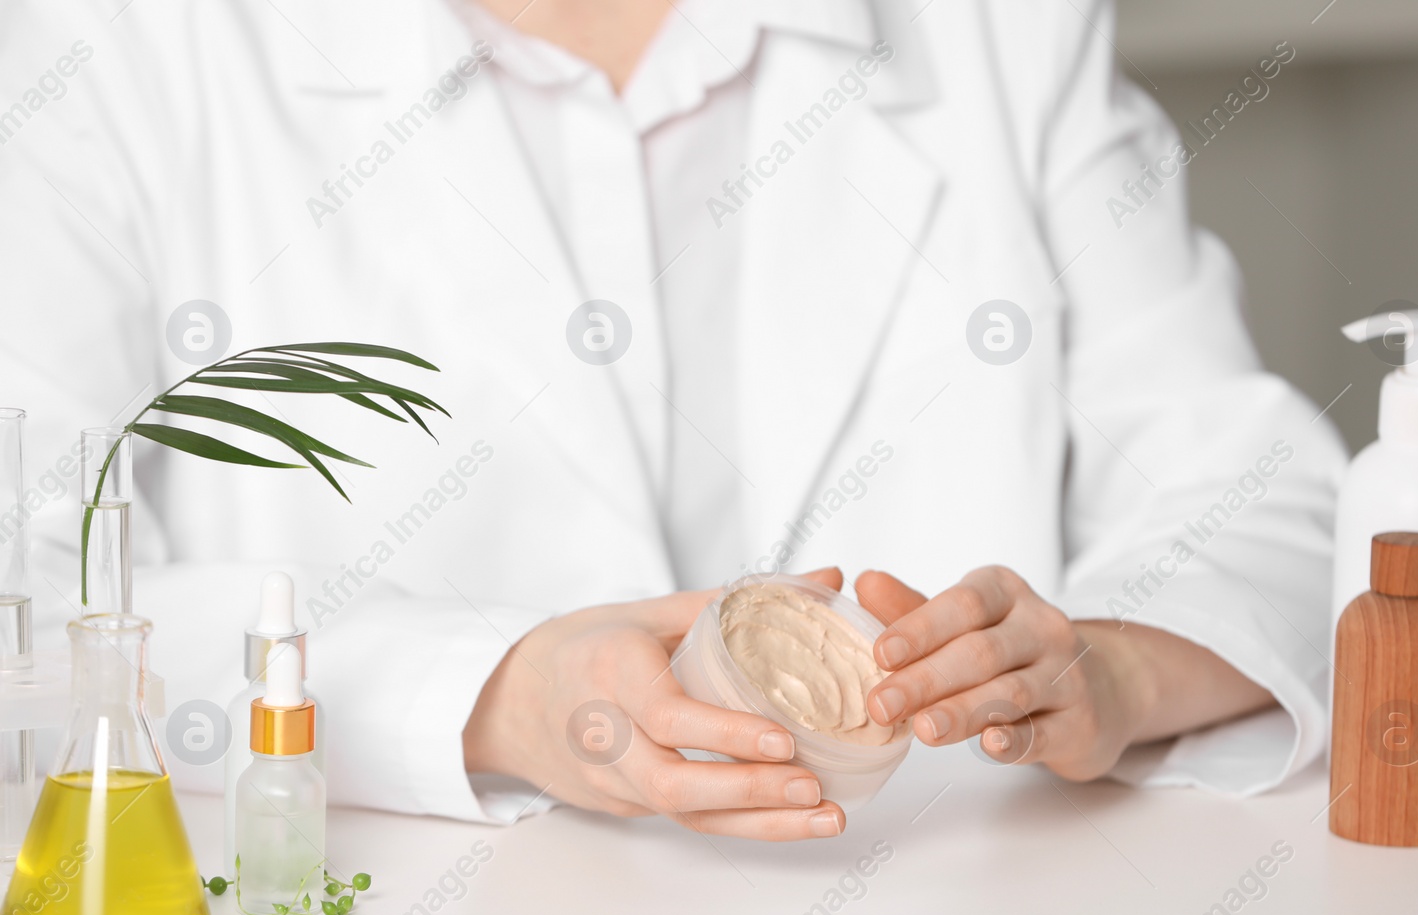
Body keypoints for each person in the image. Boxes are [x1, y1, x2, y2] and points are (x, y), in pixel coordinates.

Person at [0, 0, 1345, 840]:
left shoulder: (997, 24)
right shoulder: (113, 39)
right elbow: (27, 589)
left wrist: (1110, 673)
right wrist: (488, 697)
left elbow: (1273, 503)